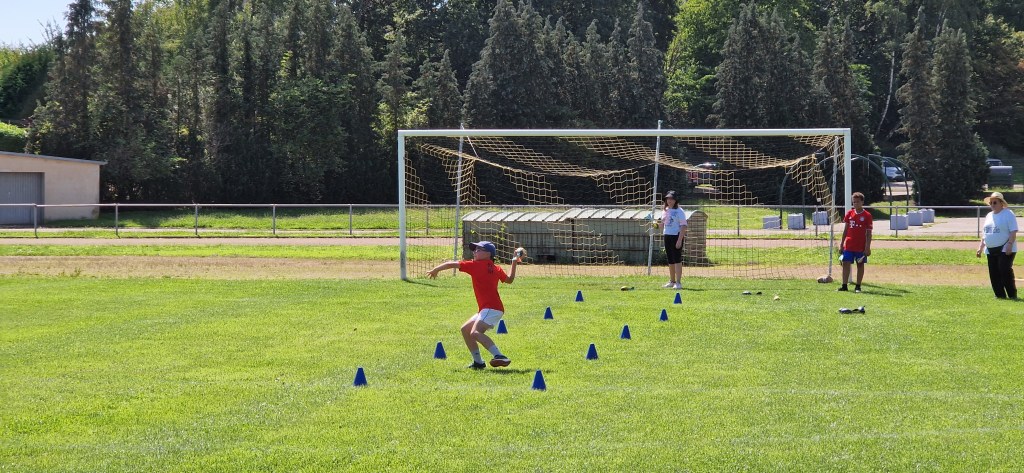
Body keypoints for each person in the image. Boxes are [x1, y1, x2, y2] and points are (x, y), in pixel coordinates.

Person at [426, 241, 520, 369]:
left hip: (491, 308)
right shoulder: (496, 268)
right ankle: (478, 362)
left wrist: (436, 269)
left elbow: (451, 264)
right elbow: (509, 280)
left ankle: (499, 355)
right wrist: (514, 261)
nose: (475, 252)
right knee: (465, 329)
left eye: (479, 250)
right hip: (491, 308)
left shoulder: (475, 265)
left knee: (475, 332)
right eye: (474, 250)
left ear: (488, 254)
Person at [976, 192, 1018, 299]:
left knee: (1004, 270)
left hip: (1005, 248)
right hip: (990, 249)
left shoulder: (1008, 214)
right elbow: (985, 233)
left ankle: (1012, 294)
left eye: (995, 202)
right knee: (993, 273)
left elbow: (1013, 231)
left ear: (1001, 203)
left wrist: (1010, 244)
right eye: (991, 203)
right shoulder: (989, 215)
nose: (992, 205)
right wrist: (980, 248)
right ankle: (999, 295)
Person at [838, 192, 872, 293]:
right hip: (849, 245)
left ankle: (858, 286)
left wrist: (867, 247)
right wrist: (841, 244)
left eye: (857, 202)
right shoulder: (849, 213)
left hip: (860, 246)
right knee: (845, 263)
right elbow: (845, 230)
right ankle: (844, 286)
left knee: (860, 264)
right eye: (854, 202)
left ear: (862, 202)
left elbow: (869, 233)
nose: (855, 204)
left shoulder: (867, 215)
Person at [654, 190, 687, 289]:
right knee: (670, 260)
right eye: (668, 198)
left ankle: (678, 283)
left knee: (677, 259)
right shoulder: (665, 210)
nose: (669, 200)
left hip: (676, 236)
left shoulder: (680, 211)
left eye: (672, 199)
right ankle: (672, 281)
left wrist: (679, 240)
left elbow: (683, 226)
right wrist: (656, 225)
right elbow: (663, 225)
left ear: (675, 200)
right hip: (667, 235)